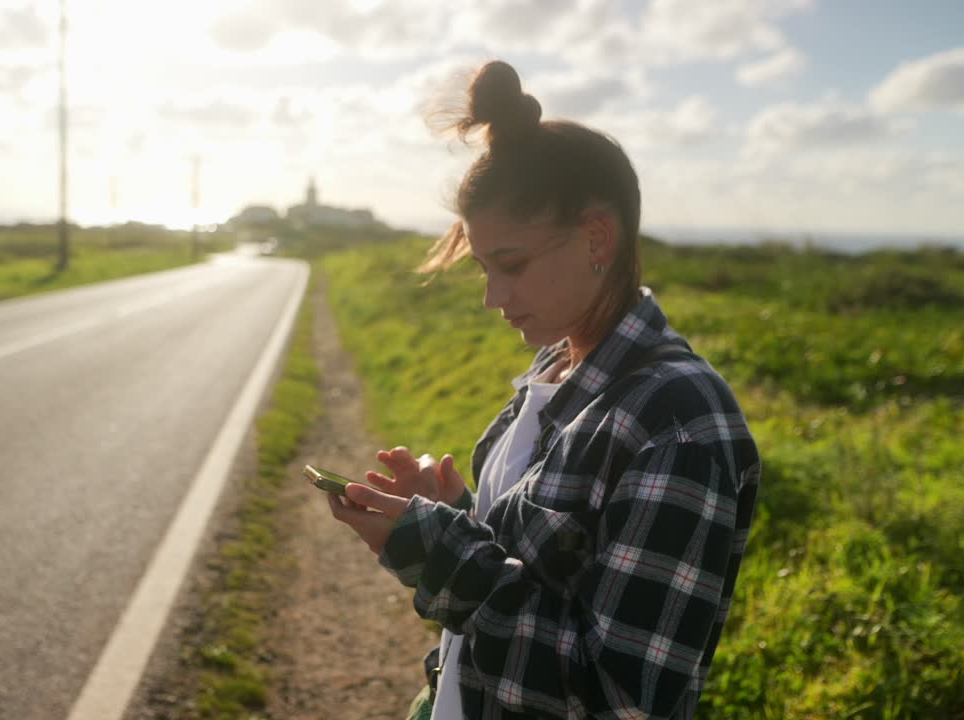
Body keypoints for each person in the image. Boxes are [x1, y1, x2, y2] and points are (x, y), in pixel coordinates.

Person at [325, 60, 762, 720]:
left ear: (597, 238)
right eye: (482, 267)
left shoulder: (677, 425)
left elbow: (620, 698)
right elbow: (542, 575)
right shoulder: (557, 370)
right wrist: (456, 513)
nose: (493, 297)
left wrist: (441, 551)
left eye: (512, 265)